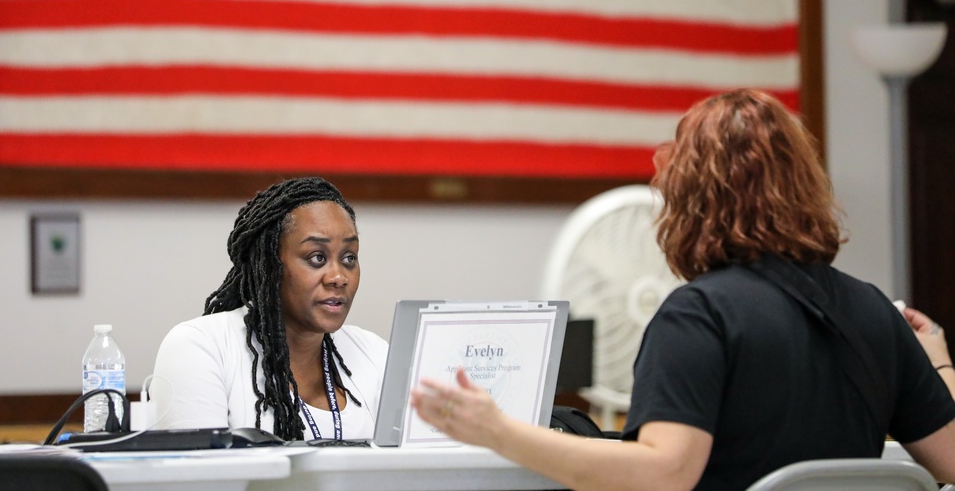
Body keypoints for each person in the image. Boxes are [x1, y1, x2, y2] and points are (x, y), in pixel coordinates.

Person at [411, 88, 955, 490]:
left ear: (692, 198)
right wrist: (938, 363)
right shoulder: (873, 310)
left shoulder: (700, 314)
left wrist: (498, 430)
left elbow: (664, 472)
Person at [152, 176, 387, 440]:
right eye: (317, 257)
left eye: (349, 258)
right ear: (270, 264)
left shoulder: (375, 354)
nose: (338, 277)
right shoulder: (200, 348)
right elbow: (198, 478)